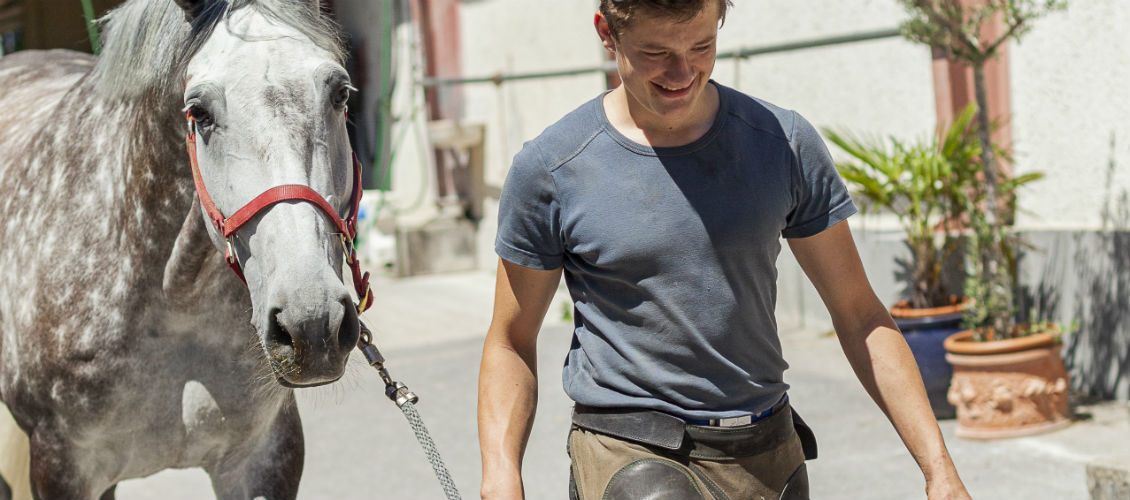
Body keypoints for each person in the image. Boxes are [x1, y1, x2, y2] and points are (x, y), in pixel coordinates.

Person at [477, 1, 970, 499]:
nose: (682, 72)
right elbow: (511, 339)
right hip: (633, 447)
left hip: (766, 448)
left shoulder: (782, 143)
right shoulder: (553, 167)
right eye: (656, 52)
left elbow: (860, 315)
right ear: (607, 33)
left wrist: (940, 473)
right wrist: (501, 478)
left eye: (702, 46)